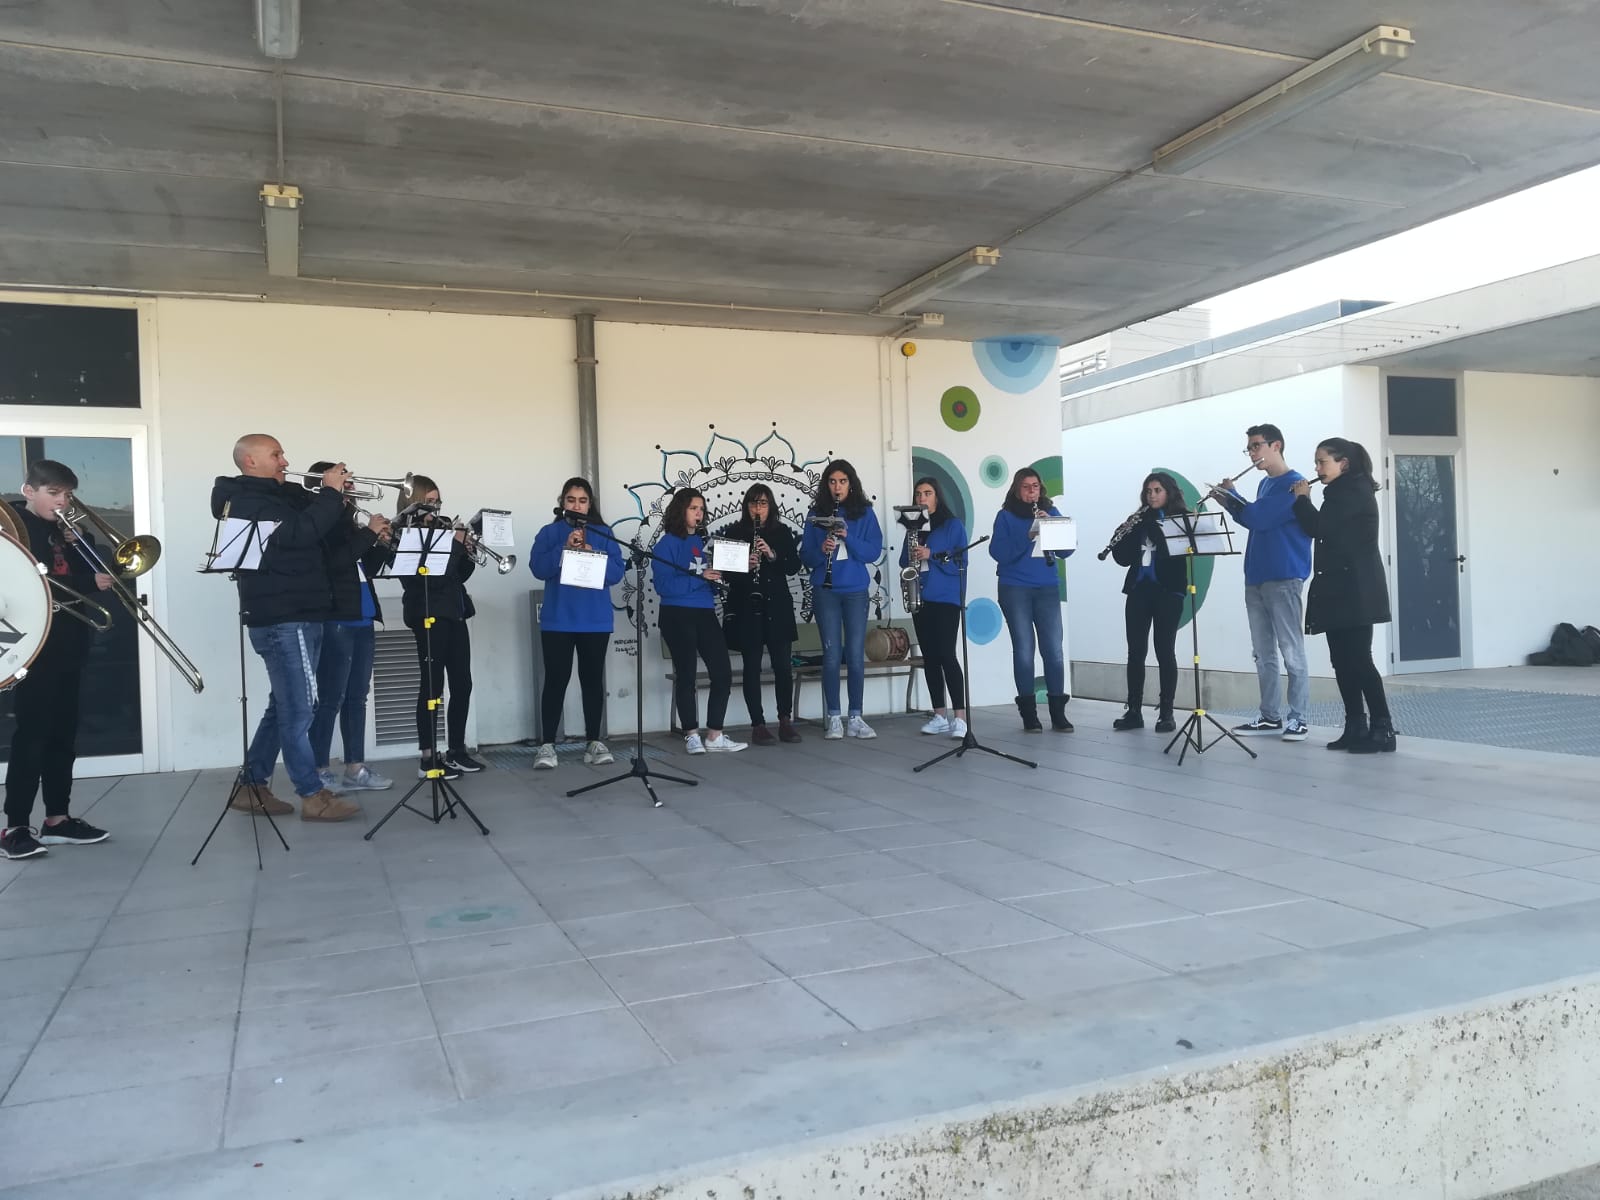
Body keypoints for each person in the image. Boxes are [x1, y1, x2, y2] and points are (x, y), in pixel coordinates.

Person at [210, 435, 360, 822]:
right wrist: (329, 493)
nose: (285, 461)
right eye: (276, 454)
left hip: (302, 611)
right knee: (300, 708)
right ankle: (312, 794)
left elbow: (322, 531)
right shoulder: (245, 500)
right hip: (283, 616)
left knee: (284, 706)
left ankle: (252, 786)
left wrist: (338, 498)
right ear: (250, 461)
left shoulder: (282, 495)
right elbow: (298, 533)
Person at [1, 461, 116, 859]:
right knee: (32, 736)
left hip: (70, 642)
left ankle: (57, 820)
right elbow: (24, 583)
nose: (62, 501)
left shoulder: (65, 531)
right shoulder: (13, 528)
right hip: (34, 646)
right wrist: (82, 579)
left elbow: (94, 573)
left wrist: (83, 548)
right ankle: (15, 826)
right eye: (53, 493)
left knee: (63, 737)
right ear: (29, 491)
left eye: (67, 495)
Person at [1291, 439, 1396, 753]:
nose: (1317, 468)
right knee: (1341, 661)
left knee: (1360, 660)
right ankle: (1355, 725)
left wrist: (1302, 500)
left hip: (1357, 590)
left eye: (1322, 462)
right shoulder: (1339, 492)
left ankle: (1383, 728)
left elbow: (1319, 527)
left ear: (1344, 463)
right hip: (1338, 589)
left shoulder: (1354, 492)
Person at [1212, 424, 1312, 742]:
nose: (1252, 453)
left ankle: (1298, 718)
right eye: (1250, 448)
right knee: (1263, 652)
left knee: (1291, 650)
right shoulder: (1264, 484)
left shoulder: (1294, 484)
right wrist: (1229, 501)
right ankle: (1270, 716)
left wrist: (1231, 497)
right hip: (1256, 576)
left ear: (1276, 445)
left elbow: (1258, 518)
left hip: (1284, 576)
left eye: (1257, 446)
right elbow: (1253, 518)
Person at [305, 461, 394, 795]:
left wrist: (379, 542)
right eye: (345, 482)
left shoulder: (349, 523)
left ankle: (355, 768)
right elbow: (334, 563)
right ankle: (319, 769)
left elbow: (363, 567)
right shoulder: (319, 524)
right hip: (336, 619)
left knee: (357, 696)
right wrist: (368, 533)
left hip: (363, 615)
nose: (352, 489)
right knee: (331, 698)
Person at [528, 476, 625, 769]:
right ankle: (547, 745)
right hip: (558, 619)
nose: (577, 505)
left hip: (594, 620)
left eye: (583, 501)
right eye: (571, 500)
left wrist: (593, 554)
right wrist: (563, 549)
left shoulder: (605, 533)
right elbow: (538, 568)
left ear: (590, 504)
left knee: (592, 681)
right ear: (562, 503)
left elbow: (616, 573)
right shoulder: (549, 532)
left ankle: (594, 741)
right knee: (555, 681)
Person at [397, 475, 484, 779]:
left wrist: (467, 550)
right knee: (432, 686)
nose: (435, 507)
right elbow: (426, 579)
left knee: (462, 683)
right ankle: (428, 757)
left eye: (437, 501)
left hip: (455, 611)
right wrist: (456, 547)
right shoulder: (405, 535)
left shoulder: (443, 527)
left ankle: (457, 750)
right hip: (427, 613)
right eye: (429, 502)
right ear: (414, 503)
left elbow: (457, 575)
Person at [652, 488, 746, 754]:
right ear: (680, 510)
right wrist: (700, 577)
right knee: (687, 674)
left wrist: (721, 575)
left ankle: (715, 734)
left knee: (722, 672)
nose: (699, 514)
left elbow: (709, 581)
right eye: (694, 508)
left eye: (702, 509)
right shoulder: (666, 544)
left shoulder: (704, 543)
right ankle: (691, 733)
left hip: (704, 611)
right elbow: (664, 586)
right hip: (676, 613)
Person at [800, 459, 884, 740]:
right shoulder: (816, 514)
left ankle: (856, 717)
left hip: (856, 590)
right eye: (833, 481)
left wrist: (848, 537)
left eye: (843, 481)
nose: (837, 487)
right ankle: (834, 717)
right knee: (832, 654)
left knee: (856, 655)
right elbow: (806, 557)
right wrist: (821, 551)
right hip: (826, 591)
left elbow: (873, 552)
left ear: (851, 483)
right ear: (827, 484)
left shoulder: (865, 513)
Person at [989, 467, 1073, 733]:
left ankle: (1058, 713)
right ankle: (1029, 715)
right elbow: (998, 552)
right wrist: (1028, 536)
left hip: (1047, 587)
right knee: (1024, 650)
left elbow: (1066, 551)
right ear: (1017, 489)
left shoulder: (1051, 511)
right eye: (1026, 487)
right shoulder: (1005, 516)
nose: (1031, 491)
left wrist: (1052, 526)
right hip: (1015, 588)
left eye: (1035, 486)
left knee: (1054, 650)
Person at [719, 484, 802, 745]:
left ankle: (785, 720)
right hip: (747, 607)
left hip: (777, 606)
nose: (758, 508)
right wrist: (745, 565)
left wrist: (772, 554)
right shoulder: (734, 533)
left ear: (771, 506)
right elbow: (724, 573)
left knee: (783, 666)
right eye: (753, 503)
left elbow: (793, 566)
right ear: (746, 506)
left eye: (763, 503)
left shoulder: (782, 532)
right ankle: (758, 724)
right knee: (752, 667)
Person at [1107, 472, 1188, 734]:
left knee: (1165, 651)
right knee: (1135, 652)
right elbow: (1122, 558)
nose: (1151, 495)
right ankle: (1133, 711)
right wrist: (1123, 534)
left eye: (1157, 490)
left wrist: (1151, 525)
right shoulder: (1140, 519)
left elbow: (1170, 553)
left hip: (1168, 592)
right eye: (1148, 491)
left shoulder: (1180, 520)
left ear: (1168, 492)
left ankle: (1166, 713)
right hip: (1139, 591)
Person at [899, 477, 968, 740]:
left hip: (946, 597)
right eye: (918, 494)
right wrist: (912, 550)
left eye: (927, 493)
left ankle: (960, 718)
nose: (922, 498)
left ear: (937, 496)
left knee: (947, 655)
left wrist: (931, 554)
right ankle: (939, 715)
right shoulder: (914, 528)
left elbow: (962, 561)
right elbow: (903, 561)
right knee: (930, 657)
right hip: (921, 596)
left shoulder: (953, 525)